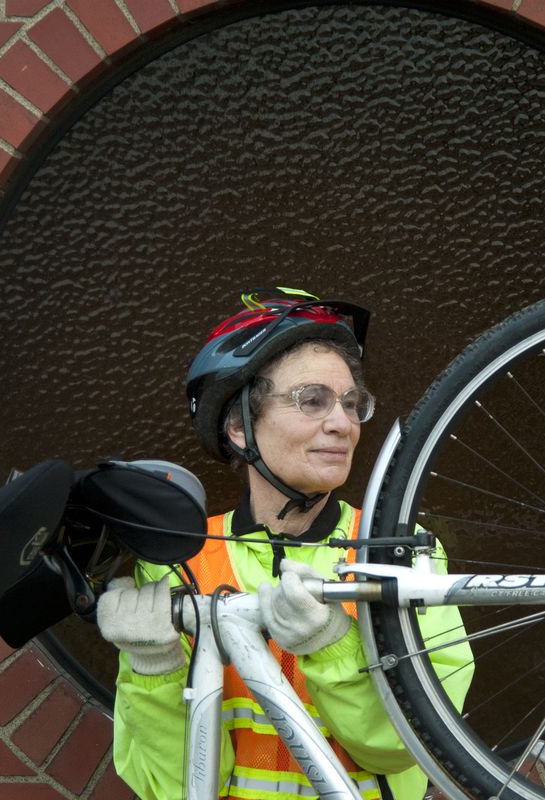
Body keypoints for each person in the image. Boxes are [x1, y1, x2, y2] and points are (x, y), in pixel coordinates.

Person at [98, 288, 473, 799]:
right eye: (312, 400)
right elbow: (171, 788)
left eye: (350, 403)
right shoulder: (179, 563)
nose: (342, 423)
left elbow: (408, 745)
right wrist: (153, 672)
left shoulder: (397, 550)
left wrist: (331, 646)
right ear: (237, 426)